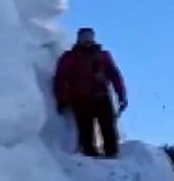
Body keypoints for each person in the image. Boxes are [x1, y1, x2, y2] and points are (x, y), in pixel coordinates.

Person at [53, 27, 127, 157]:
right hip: (80, 99)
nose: (87, 41)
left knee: (108, 127)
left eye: (89, 37)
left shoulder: (103, 56)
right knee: (86, 129)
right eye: (84, 38)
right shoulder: (70, 58)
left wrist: (121, 95)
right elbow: (60, 78)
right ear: (79, 39)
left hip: (102, 97)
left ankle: (111, 153)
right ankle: (90, 154)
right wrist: (61, 98)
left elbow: (115, 76)